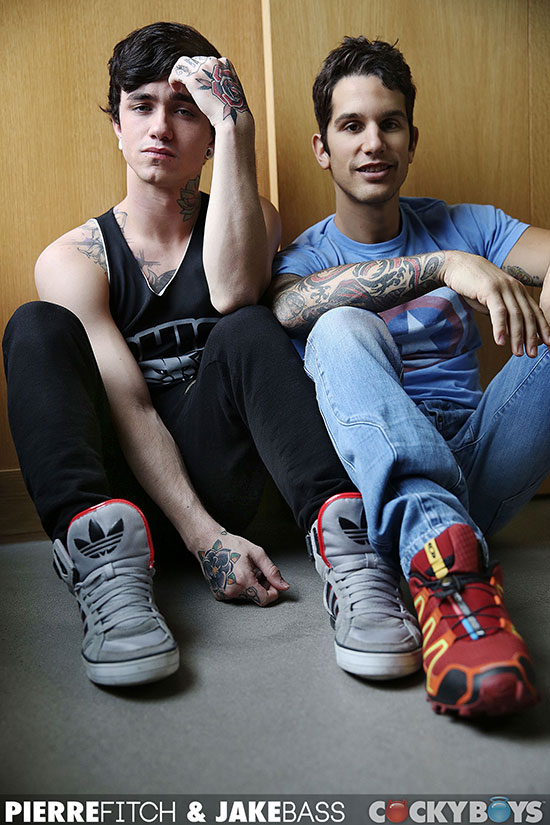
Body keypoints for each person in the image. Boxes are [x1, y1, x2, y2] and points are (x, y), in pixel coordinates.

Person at [2, 22, 415, 689]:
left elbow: (234, 293)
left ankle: (351, 555)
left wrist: (237, 126)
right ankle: (105, 571)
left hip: (227, 478)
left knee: (247, 326)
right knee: (35, 326)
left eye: (185, 110)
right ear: (117, 126)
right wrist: (204, 539)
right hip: (127, 503)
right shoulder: (74, 259)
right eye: (141, 106)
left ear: (211, 128)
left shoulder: (256, 218)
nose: (160, 127)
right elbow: (131, 405)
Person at [268, 36, 550, 717]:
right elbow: (289, 309)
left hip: (480, 452)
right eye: (351, 125)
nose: (374, 143)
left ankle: (440, 549)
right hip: (377, 474)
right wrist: (443, 266)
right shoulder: (305, 257)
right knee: (339, 324)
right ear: (322, 148)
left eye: (389, 123)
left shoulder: (469, 224)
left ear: (412, 139)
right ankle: (449, 572)